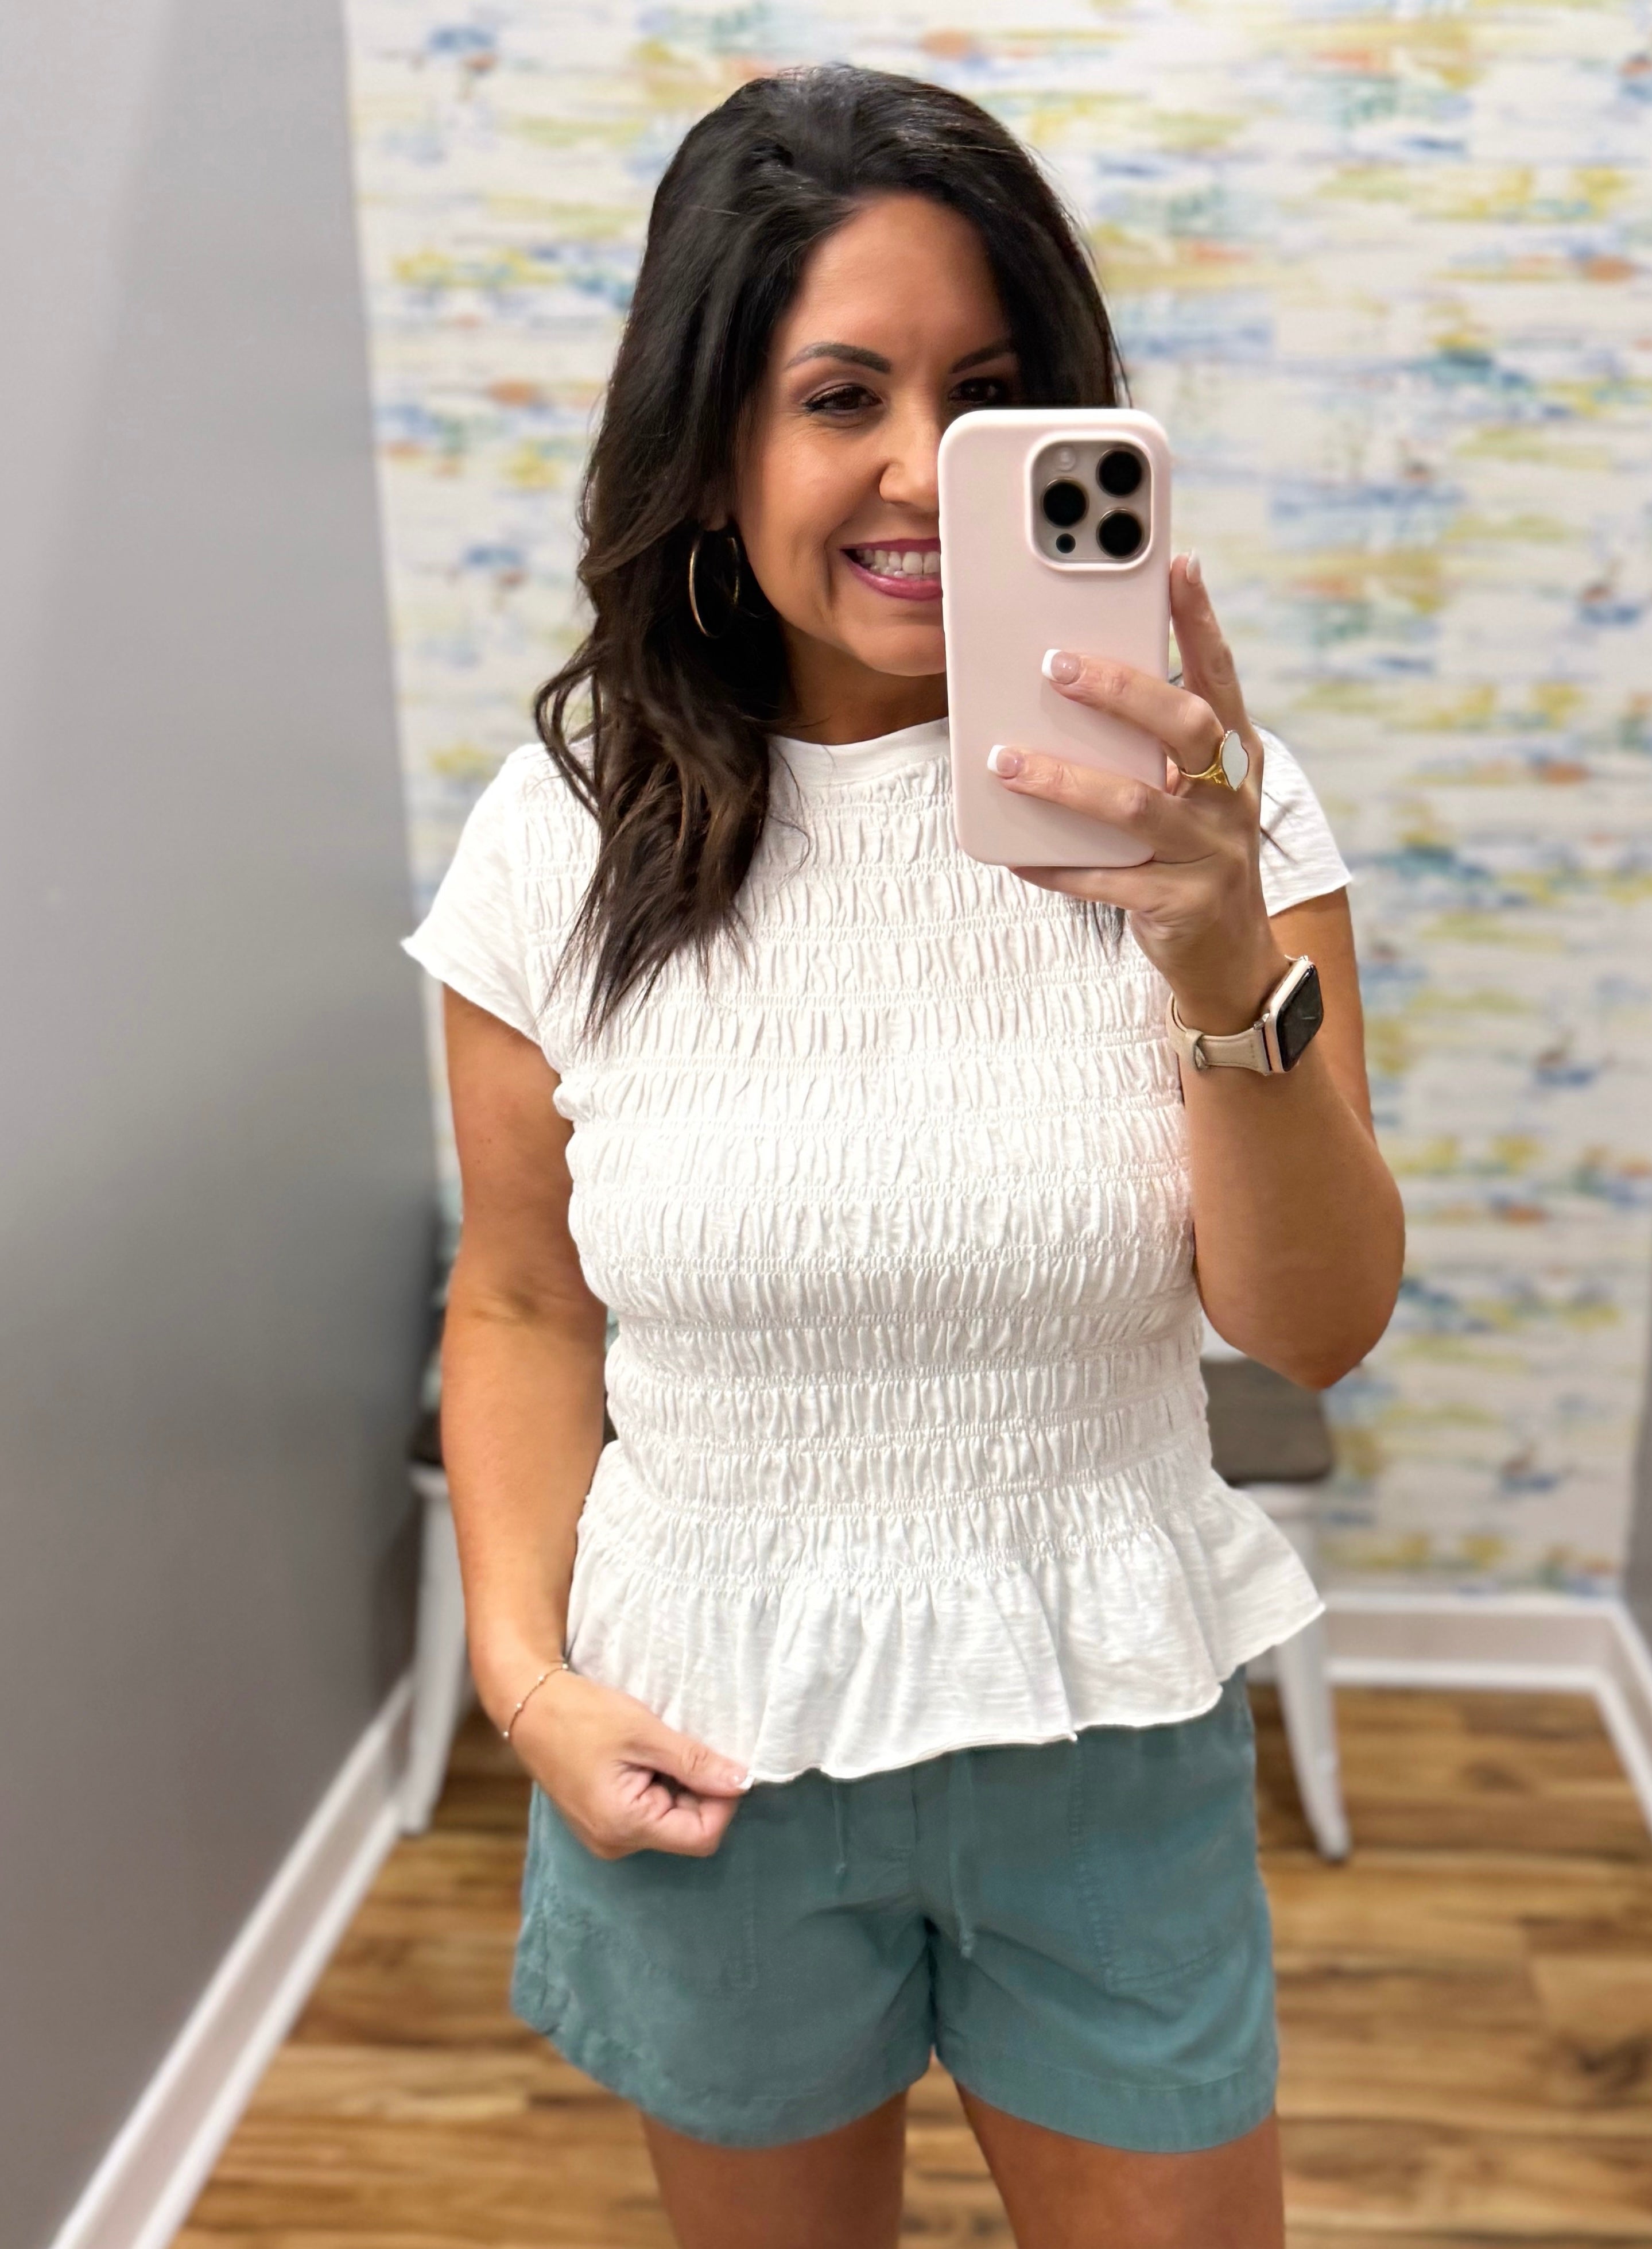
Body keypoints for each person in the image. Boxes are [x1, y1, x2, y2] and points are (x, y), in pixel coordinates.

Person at [402, 62, 1403, 2249]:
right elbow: (521, 1299)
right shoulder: (559, 838)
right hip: (703, 1748)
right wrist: (525, 1679)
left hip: (1100, 1730)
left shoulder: (1214, 811)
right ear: (712, 439)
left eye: (985, 399)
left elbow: (1311, 1329)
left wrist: (1218, 948)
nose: (913, 472)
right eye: (837, 393)